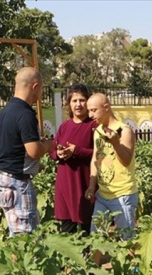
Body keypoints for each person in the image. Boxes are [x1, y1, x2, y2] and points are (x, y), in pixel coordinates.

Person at [0, 67, 54, 236]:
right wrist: (48, 145)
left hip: (2, 179)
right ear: (35, 87)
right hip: (16, 184)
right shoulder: (25, 114)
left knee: (17, 231)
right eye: (40, 89)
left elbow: (13, 148)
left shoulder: (6, 112)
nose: (40, 95)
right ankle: (19, 264)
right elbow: (33, 151)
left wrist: (34, 167)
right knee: (25, 238)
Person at [85, 93, 138, 239]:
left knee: (127, 240)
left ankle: (134, 263)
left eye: (93, 110)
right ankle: (93, 263)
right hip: (102, 195)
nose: (90, 115)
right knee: (96, 238)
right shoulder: (98, 131)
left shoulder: (124, 131)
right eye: (89, 110)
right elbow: (96, 159)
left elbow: (126, 161)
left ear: (106, 107)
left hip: (123, 195)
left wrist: (115, 143)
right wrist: (91, 185)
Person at [50, 84, 97, 235]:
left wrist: (77, 151)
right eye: (74, 100)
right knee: (67, 228)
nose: (78, 104)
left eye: (82, 100)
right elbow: (52, 149)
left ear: (88, 102)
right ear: (69, 104)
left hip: (85, 181)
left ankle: (88, 258)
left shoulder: (93, 125)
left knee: (87, 225)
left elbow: (100, 153)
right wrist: (59, 153)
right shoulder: (64, 126)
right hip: (65, 182)